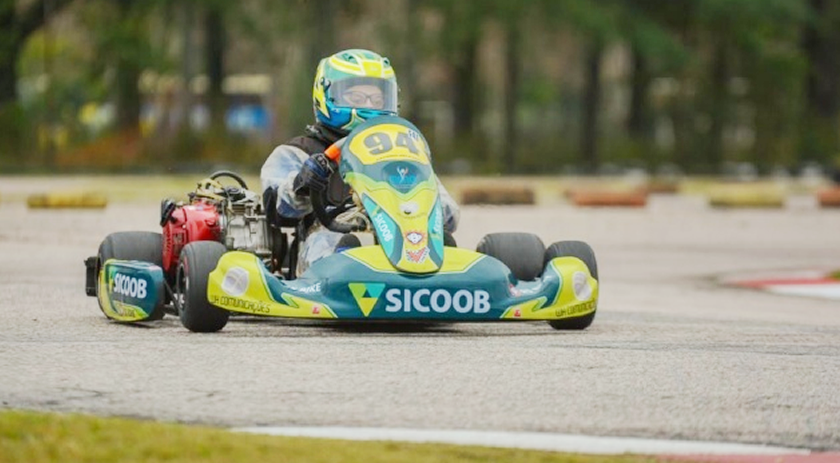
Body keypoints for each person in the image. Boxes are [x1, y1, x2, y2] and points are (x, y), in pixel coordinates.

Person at [261, 49, 460, 275]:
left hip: (400, 241)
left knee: (444, 241)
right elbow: (277, 211)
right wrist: (303, 184)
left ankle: (430, 280)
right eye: (356, 98)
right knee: (345, 242)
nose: (369, 106)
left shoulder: (403, 152)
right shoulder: (299, 151)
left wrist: (422, 204)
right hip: (330, 240)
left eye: (377, 99)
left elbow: (450, 215)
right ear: (325, 96)